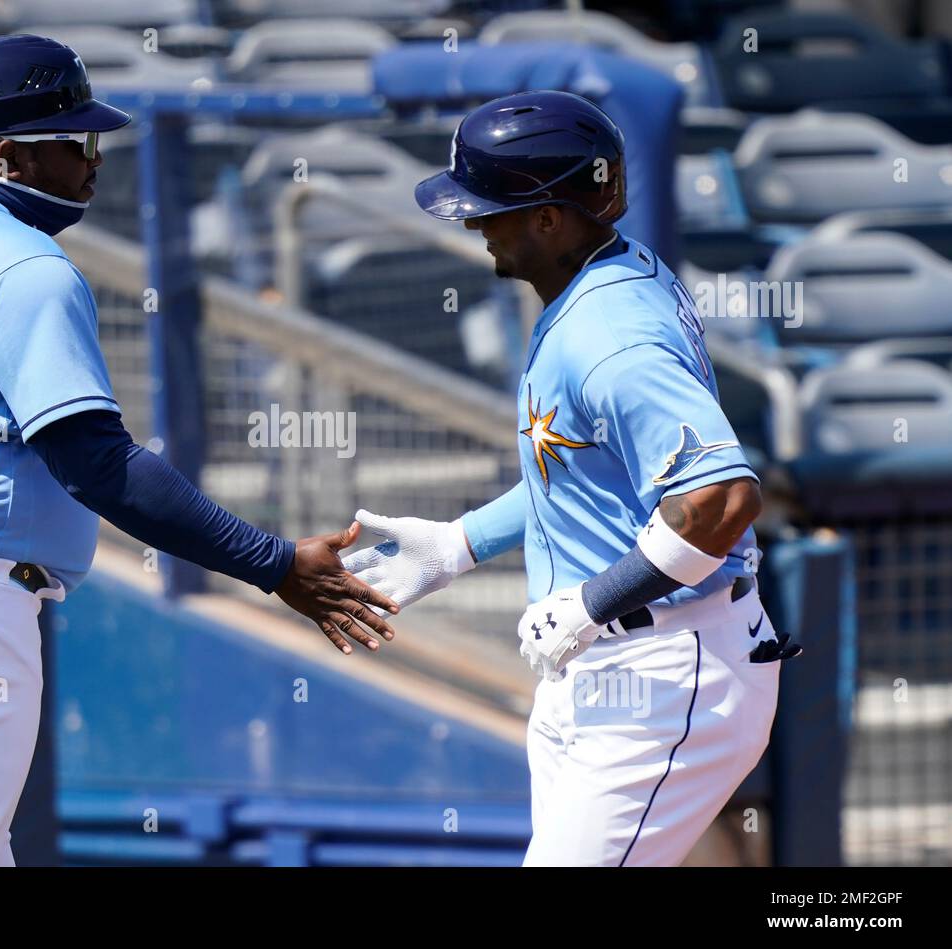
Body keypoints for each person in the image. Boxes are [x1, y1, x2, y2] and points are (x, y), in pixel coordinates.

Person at [0, 34, 396, 866]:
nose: (94, 161)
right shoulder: (22, 262)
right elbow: (97, 463)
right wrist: (274, 563)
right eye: (74, 142)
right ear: (7, 156)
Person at [342, 90, 799, 866]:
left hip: (665, 667)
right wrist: (460, 544)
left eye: (488, 209)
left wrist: (594, 601)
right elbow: (591, 473)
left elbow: (720, 501)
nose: (474, 224)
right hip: (604, 668)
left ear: (550, 217)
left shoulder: (607, 333)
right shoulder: (606, 278)